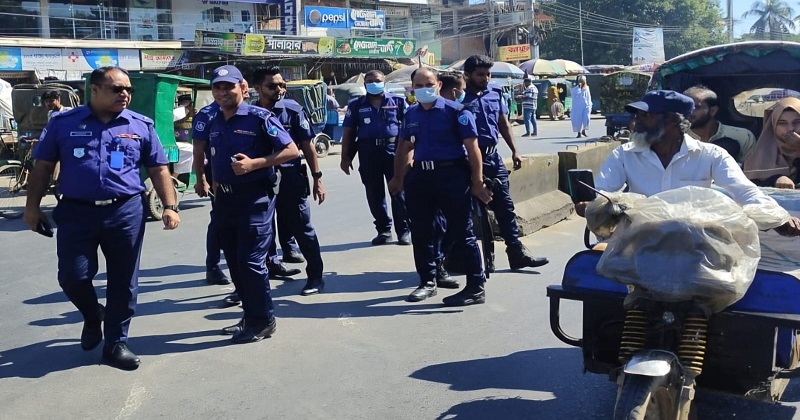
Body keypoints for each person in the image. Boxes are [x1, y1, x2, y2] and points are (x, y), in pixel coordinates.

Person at [23, 66, 181, 370]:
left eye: (129, 90)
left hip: (125, 211)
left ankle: (115, 343)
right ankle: (93, 314)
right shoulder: (63, 123)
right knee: (73, 275)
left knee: (124, 281)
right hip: (76, 211)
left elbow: (159, 168)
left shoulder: (140, 125)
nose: (125, 95)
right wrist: (32, 207)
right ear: (94, 90)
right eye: (117, 89)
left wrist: (170, 206)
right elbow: (43, 166)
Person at [574, 90, 800, 236]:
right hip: (636, 241)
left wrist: (779, 218)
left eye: (646, 116)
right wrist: (591, 205)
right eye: (637, 116)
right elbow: (602, 192)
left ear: (672, 120)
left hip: (696, 244)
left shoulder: (712, 155)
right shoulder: (624, 154)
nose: (636, 122)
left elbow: (746, 192)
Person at [193, 65, 300, 343]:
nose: (222, 92)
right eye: (217, 87)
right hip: (224, 199)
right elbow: (206, 152)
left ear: (242, 87)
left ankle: (264, 320)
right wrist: (208, 179)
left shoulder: (259, 117)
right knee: (235, 263)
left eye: (228, 86)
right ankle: (250, 316)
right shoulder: (213, 119)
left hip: (254, 198)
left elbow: (291, 150)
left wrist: (256, 164)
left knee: (251, 262)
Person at [388, 67, 492, 306]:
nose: (424, 89)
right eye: (419, 85)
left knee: (463, 232)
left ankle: (476, 286)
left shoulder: (457, 112)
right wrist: (398, 177)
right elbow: (404, 148)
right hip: (421, 178)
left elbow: (472, 149)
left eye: (429, 84)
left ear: (438, 85)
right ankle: (427, 281)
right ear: (412, 88)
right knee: (422, 232)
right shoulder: (411, 114)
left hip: (452, 175)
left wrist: (477, 182)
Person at [461, 54, 549, 272]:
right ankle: (463, 259)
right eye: (480, 75)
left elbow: (503, 123)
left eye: (488, 74)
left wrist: (515, 151)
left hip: (493, 158)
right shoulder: (458, 98)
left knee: (505, 207)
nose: (486, 78)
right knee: (465, 211)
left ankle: (516, 252)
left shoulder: (495, 93)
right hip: (467, 160)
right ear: (468, 75)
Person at [253, 66, 326, 296]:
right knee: (259, 231)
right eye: (272, 86)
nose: (279, 89)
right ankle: (267, 269)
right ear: (257, 88)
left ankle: (315, 276)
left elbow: (308, 147)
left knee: (302, 228)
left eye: (282, 85)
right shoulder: (247, 113)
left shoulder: (292, 110)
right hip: (259, 180)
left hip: (290, 178)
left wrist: (317, 178)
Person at [340, 70, 411, 246]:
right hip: (368, 151)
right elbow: (348, 132)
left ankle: (404, 231)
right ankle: (384, 230)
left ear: (384, 82)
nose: (373, 83)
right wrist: (345, 157)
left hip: (394, 150)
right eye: (369, 81)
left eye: (376, 80)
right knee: (374, 194)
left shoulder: (398, 101)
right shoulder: (356, 105)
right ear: (364, 84)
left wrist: (411, 154)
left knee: (399, 192)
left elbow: (410, 129)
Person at [192, 101, 231, 286]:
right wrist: (201, 179)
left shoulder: (250, 111)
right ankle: (213, 267)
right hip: (217, 177)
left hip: (247, 176)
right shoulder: (208, 115)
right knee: (220, 221)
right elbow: (198, 150)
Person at [684, 86, 755, 163]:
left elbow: (752, 171)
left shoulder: (743, 136)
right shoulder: (677, 139)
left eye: (696, 107)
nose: (688, 112)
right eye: (684, 108)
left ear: (713, 111)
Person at [744, 97, 800, 188]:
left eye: (797, 122)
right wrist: (776, 179)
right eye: (782, 123)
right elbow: (749, 186)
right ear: (773, 126)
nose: (791, 129)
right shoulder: (760, 155)